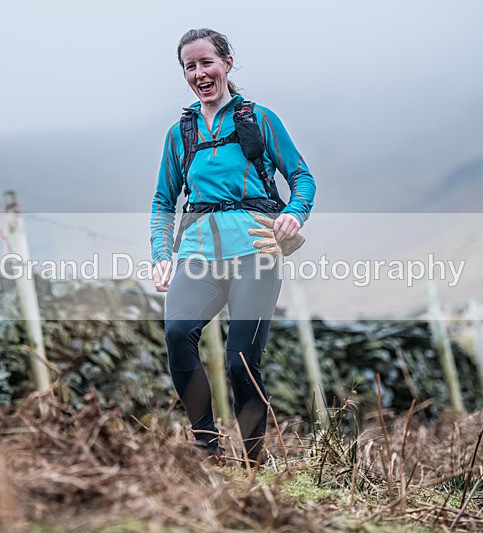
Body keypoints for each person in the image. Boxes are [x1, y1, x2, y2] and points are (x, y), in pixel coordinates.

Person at [150, 28, 316, 467]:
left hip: (255, 251)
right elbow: (163, 201)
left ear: (226, 63)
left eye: (207, 63)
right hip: (198, 254)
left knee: (241, 360)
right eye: (190, 66)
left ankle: (253, 462)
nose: (200, 73)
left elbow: (302, 177)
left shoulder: (259, 119)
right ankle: (206, 445)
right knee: (176, 334)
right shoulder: (178, 135)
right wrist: (162, 255)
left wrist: (295, 213)